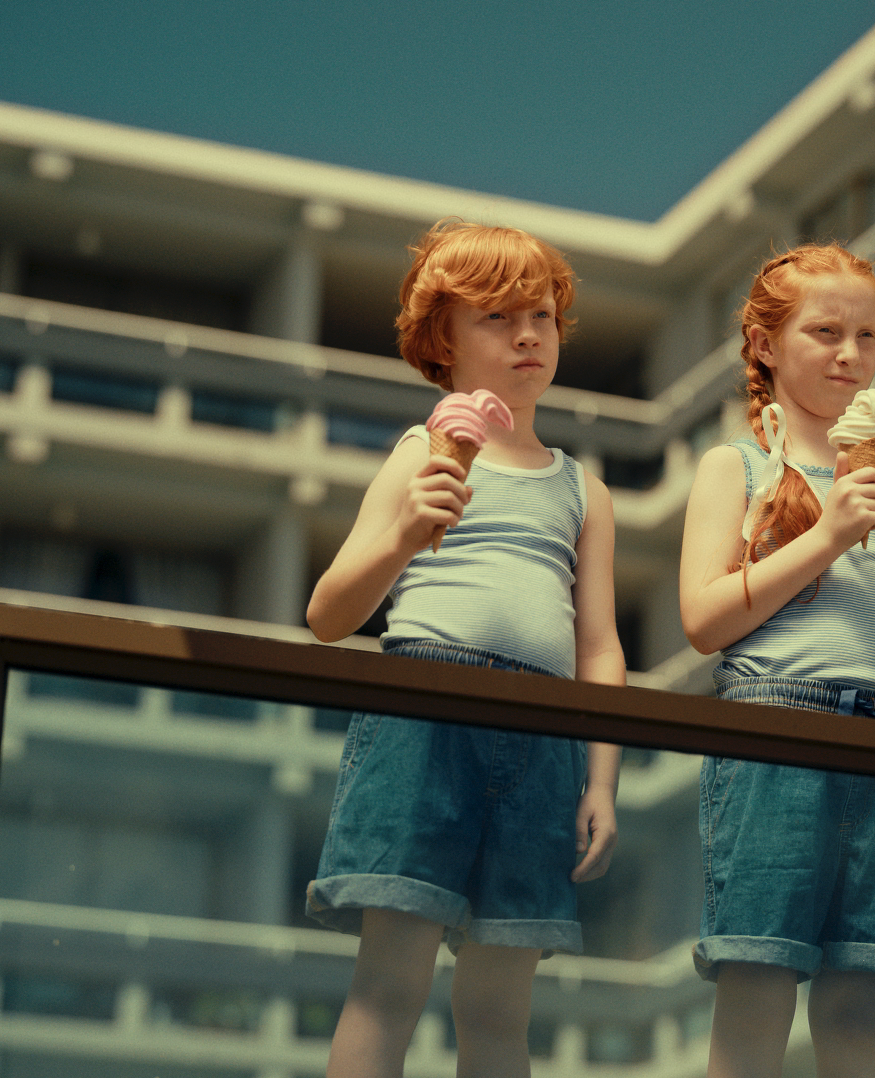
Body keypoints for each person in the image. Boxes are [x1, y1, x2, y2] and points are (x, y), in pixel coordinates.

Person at [305, 219, 625, 1078]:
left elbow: (599, 648)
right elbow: (329, 612)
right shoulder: (421, 450)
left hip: (544, 739)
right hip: (423, 713)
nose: (527, 334)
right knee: (388, 986)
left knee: (498, 1011)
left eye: (543, 316)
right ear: (440, 343)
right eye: (496, 317)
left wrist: (600, 780)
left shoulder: (581, 488)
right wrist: (405, 532)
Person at [677, 243, 875, 1078]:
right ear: (765, 345)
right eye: (824, 331)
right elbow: (702, 618)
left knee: (857, 1009)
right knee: (756, 993)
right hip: (776, 731)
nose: (849, 354)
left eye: (866, 335)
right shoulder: (735, 467)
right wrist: (829, 534)